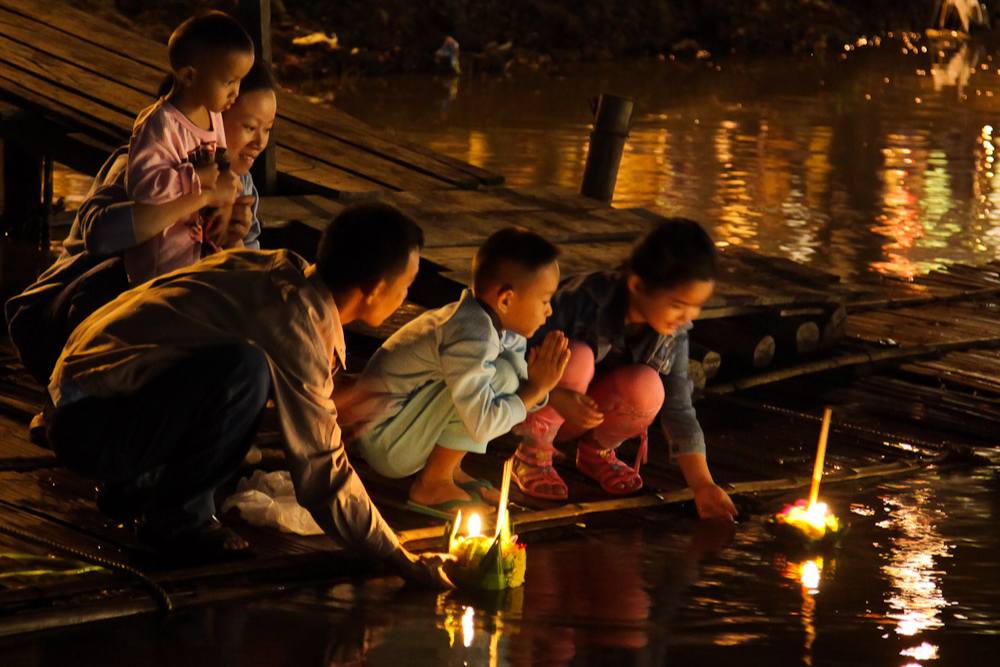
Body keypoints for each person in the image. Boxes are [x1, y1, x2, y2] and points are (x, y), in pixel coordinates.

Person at [45, 203, 451, 584]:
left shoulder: (276, 272)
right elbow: (321, 472)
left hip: (85, 404)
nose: (407, 297)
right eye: (407, 285)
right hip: (88, 426)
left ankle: (139, 488)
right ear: (377, 289)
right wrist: (397, 556)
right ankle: (178, 523)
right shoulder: (294, 320)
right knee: (245, 371)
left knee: (246, 375)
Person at [5, 60, 277, 390]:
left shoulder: (241, 186)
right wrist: (200, 197)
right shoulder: (140, 166)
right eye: (249, 127)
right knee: (123, 277)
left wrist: (233, 240)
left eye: (268, 129)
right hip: (61, 322)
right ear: (209, 121)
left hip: (159, 332)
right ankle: (72, 403)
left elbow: (243, 287)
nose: (260, 142)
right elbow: (101, 238)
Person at [511, 218, 738, 521]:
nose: (686, 317)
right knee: (575, 355)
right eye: (678, 305)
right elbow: (513, 360)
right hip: (537, 403)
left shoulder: (673, 333)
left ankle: (595, 453)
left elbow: (678, 408)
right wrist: (555, 396)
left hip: (591, 415)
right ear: (637, 285)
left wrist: (703, 485)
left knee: (649, 386)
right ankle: (532, 454)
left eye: (695, 307)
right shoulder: (582, 300)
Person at [345, 228, 570, 516]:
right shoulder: (470, 335)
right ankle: (433, 483)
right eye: (544, 300)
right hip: (385, 440)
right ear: (506, 300)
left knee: (504, 376)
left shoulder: (495, 326)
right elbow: (483, 423)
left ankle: (449, 470)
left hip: (404, 430)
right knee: (499, 378)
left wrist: (540, 385)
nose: (549, 311)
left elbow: (519, 386)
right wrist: (536, 390)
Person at [123, 11, 254, 284]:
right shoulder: (160, 125)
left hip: (198, 257)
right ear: (189, 77)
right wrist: (195, 178)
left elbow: (221, 166)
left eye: (240, 81)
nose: (236, 92)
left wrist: (227, 202)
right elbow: (143, 186)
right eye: (229, 82)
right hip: (162, 268)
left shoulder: (213, 115)